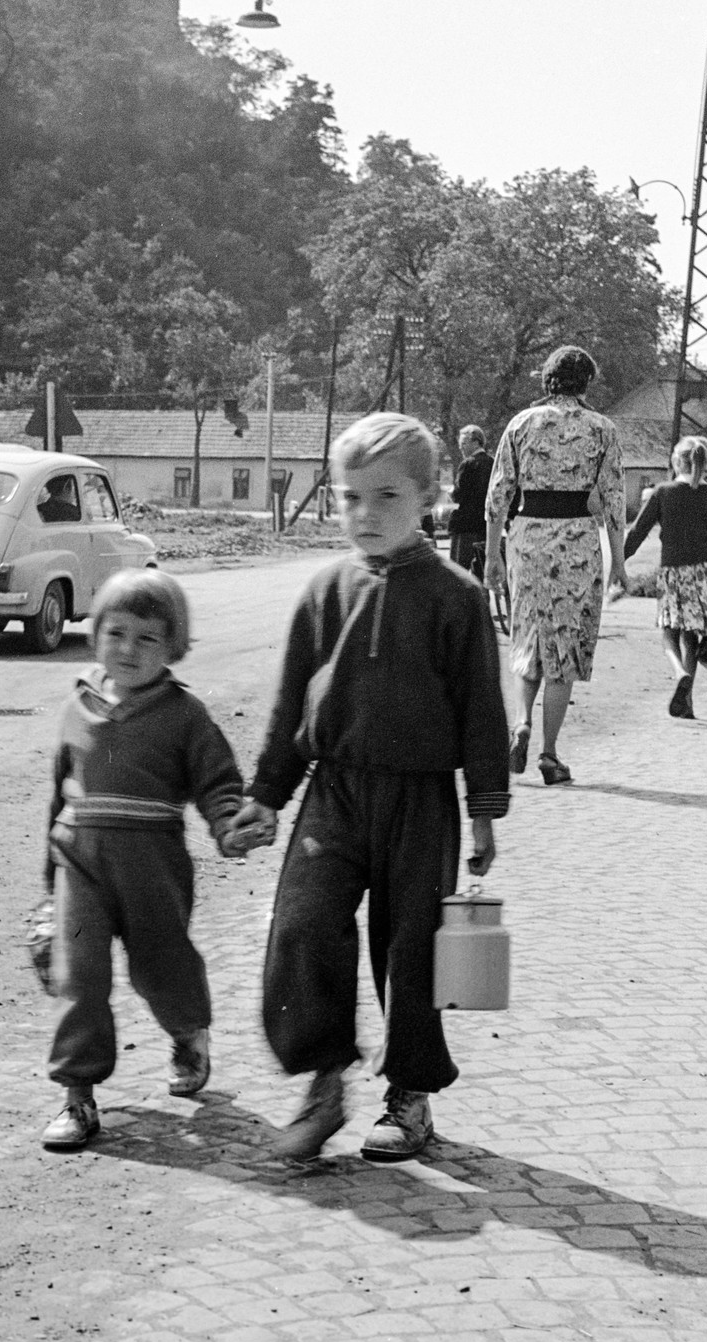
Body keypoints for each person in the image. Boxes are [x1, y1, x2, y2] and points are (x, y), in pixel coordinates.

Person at [228, 413, 509, 1164]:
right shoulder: (324, 590)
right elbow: (291, 704)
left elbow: (483, 709)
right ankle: (322, 1078)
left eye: (385, 496)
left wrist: (483, 812)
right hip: (334, 794)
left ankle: (409, 1096)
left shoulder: (457, 597)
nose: (365, 514)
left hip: (421, 803)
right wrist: (266, 794)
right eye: (350, 497)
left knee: (411, 948)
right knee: (302, 926)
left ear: (430, 496)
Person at [40, 569, 250, 1153]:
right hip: (79, 864)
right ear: (96, 633)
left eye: (148, 638)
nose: (128, 649)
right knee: (78, 974)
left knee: (161, 967)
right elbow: (58, 796)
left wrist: (229, 825)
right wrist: (46, 884)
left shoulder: (185, 716)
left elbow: (218, 784)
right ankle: (77, 1095)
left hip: (153, 868)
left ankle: (188, 1033)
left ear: (173, 646)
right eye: (117, 632)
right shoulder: (76, 706)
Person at [484, 345, 627, 785]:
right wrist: (619, 562)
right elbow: (615, 502)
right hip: (577, 539)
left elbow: (498, 497)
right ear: (587, 382)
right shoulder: (603, 430)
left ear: (547, 379)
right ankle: (549, 753)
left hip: (527, 537)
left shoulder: (521, 424)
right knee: (564, 646)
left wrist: (492, 555)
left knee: (527, 635)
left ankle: (521, 721)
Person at [622, 435, 707, 720]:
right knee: (692, 637)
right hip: (705, 572)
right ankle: (688, 701)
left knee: (669, 632)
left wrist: (618, 562)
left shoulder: (663, 492)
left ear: (675, 462)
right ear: (705, 464)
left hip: (674, 569)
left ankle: (679, 672)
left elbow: (637, 532)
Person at [446, 425, 493, 579]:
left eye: (463, 444)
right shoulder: (494, 464)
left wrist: (451, 493)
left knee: (457, 576)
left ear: (476, 442)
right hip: (485, 528)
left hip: (465, 528)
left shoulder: (468, 464)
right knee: (480, 578)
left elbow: (458, 495)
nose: (461, 448)